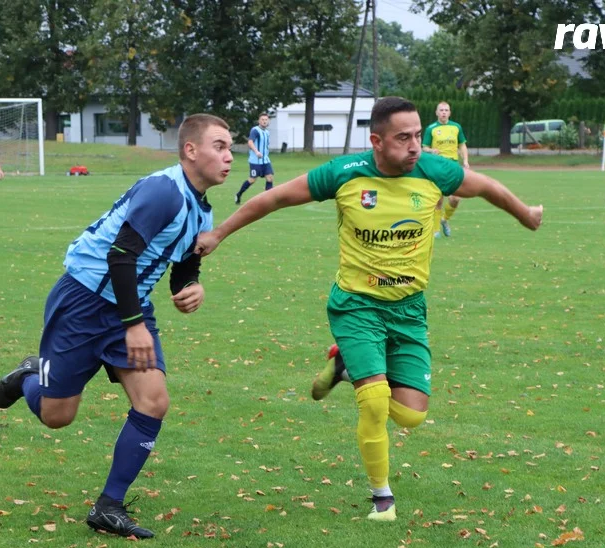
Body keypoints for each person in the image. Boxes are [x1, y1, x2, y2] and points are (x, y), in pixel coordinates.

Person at [195, 97, 542, 522]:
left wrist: (525, 214)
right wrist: (219, 234)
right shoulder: (344, 174)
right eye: (403, 138)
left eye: (418, 135)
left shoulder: (435, 171)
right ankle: (383, 500)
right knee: (375, 402)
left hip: (409, 310)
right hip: (356, 306)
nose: (415, 145)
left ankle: (343, 367)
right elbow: (274, 200)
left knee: (411, 416)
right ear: (376, 141)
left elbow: (486, 186)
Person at [0, 113, 233, 539]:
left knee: (154, 401)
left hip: (128, 305)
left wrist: (191, 286)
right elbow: (119, 256)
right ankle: (30, 375)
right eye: (220, 146)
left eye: (231, 148)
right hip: (84, 300)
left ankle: (109, 506)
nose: (229, 156)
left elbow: (182, 269)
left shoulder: (202, 212)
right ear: (190, 150)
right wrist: (134, 325)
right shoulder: (164, 190)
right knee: (56, 416)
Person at [422, 101, 469, 237]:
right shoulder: (431, 129)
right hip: (437, 166)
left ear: (449, 112)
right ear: (436, 112)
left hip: (453, 166)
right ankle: (436, 230)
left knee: (456, 199)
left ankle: (444, 220)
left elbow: (462, 145)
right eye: (441, 110)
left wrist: (465, 160)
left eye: (446, 110)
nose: (443, 112)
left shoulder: (456, 127)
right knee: (438, 199)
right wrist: (431, 150)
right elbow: (423, 147)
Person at [234, 113, 273, 204]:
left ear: (268, 121)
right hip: (255, 161)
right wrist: (256, 152)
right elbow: (250, 142)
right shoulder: (255, 130)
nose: (264, 121)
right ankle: (239, 194)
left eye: (266, 120)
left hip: (266, 160)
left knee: (270, 178)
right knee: (252, 180)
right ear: (259, 121)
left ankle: (268, 200)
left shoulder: (267, 132)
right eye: (262, 119)